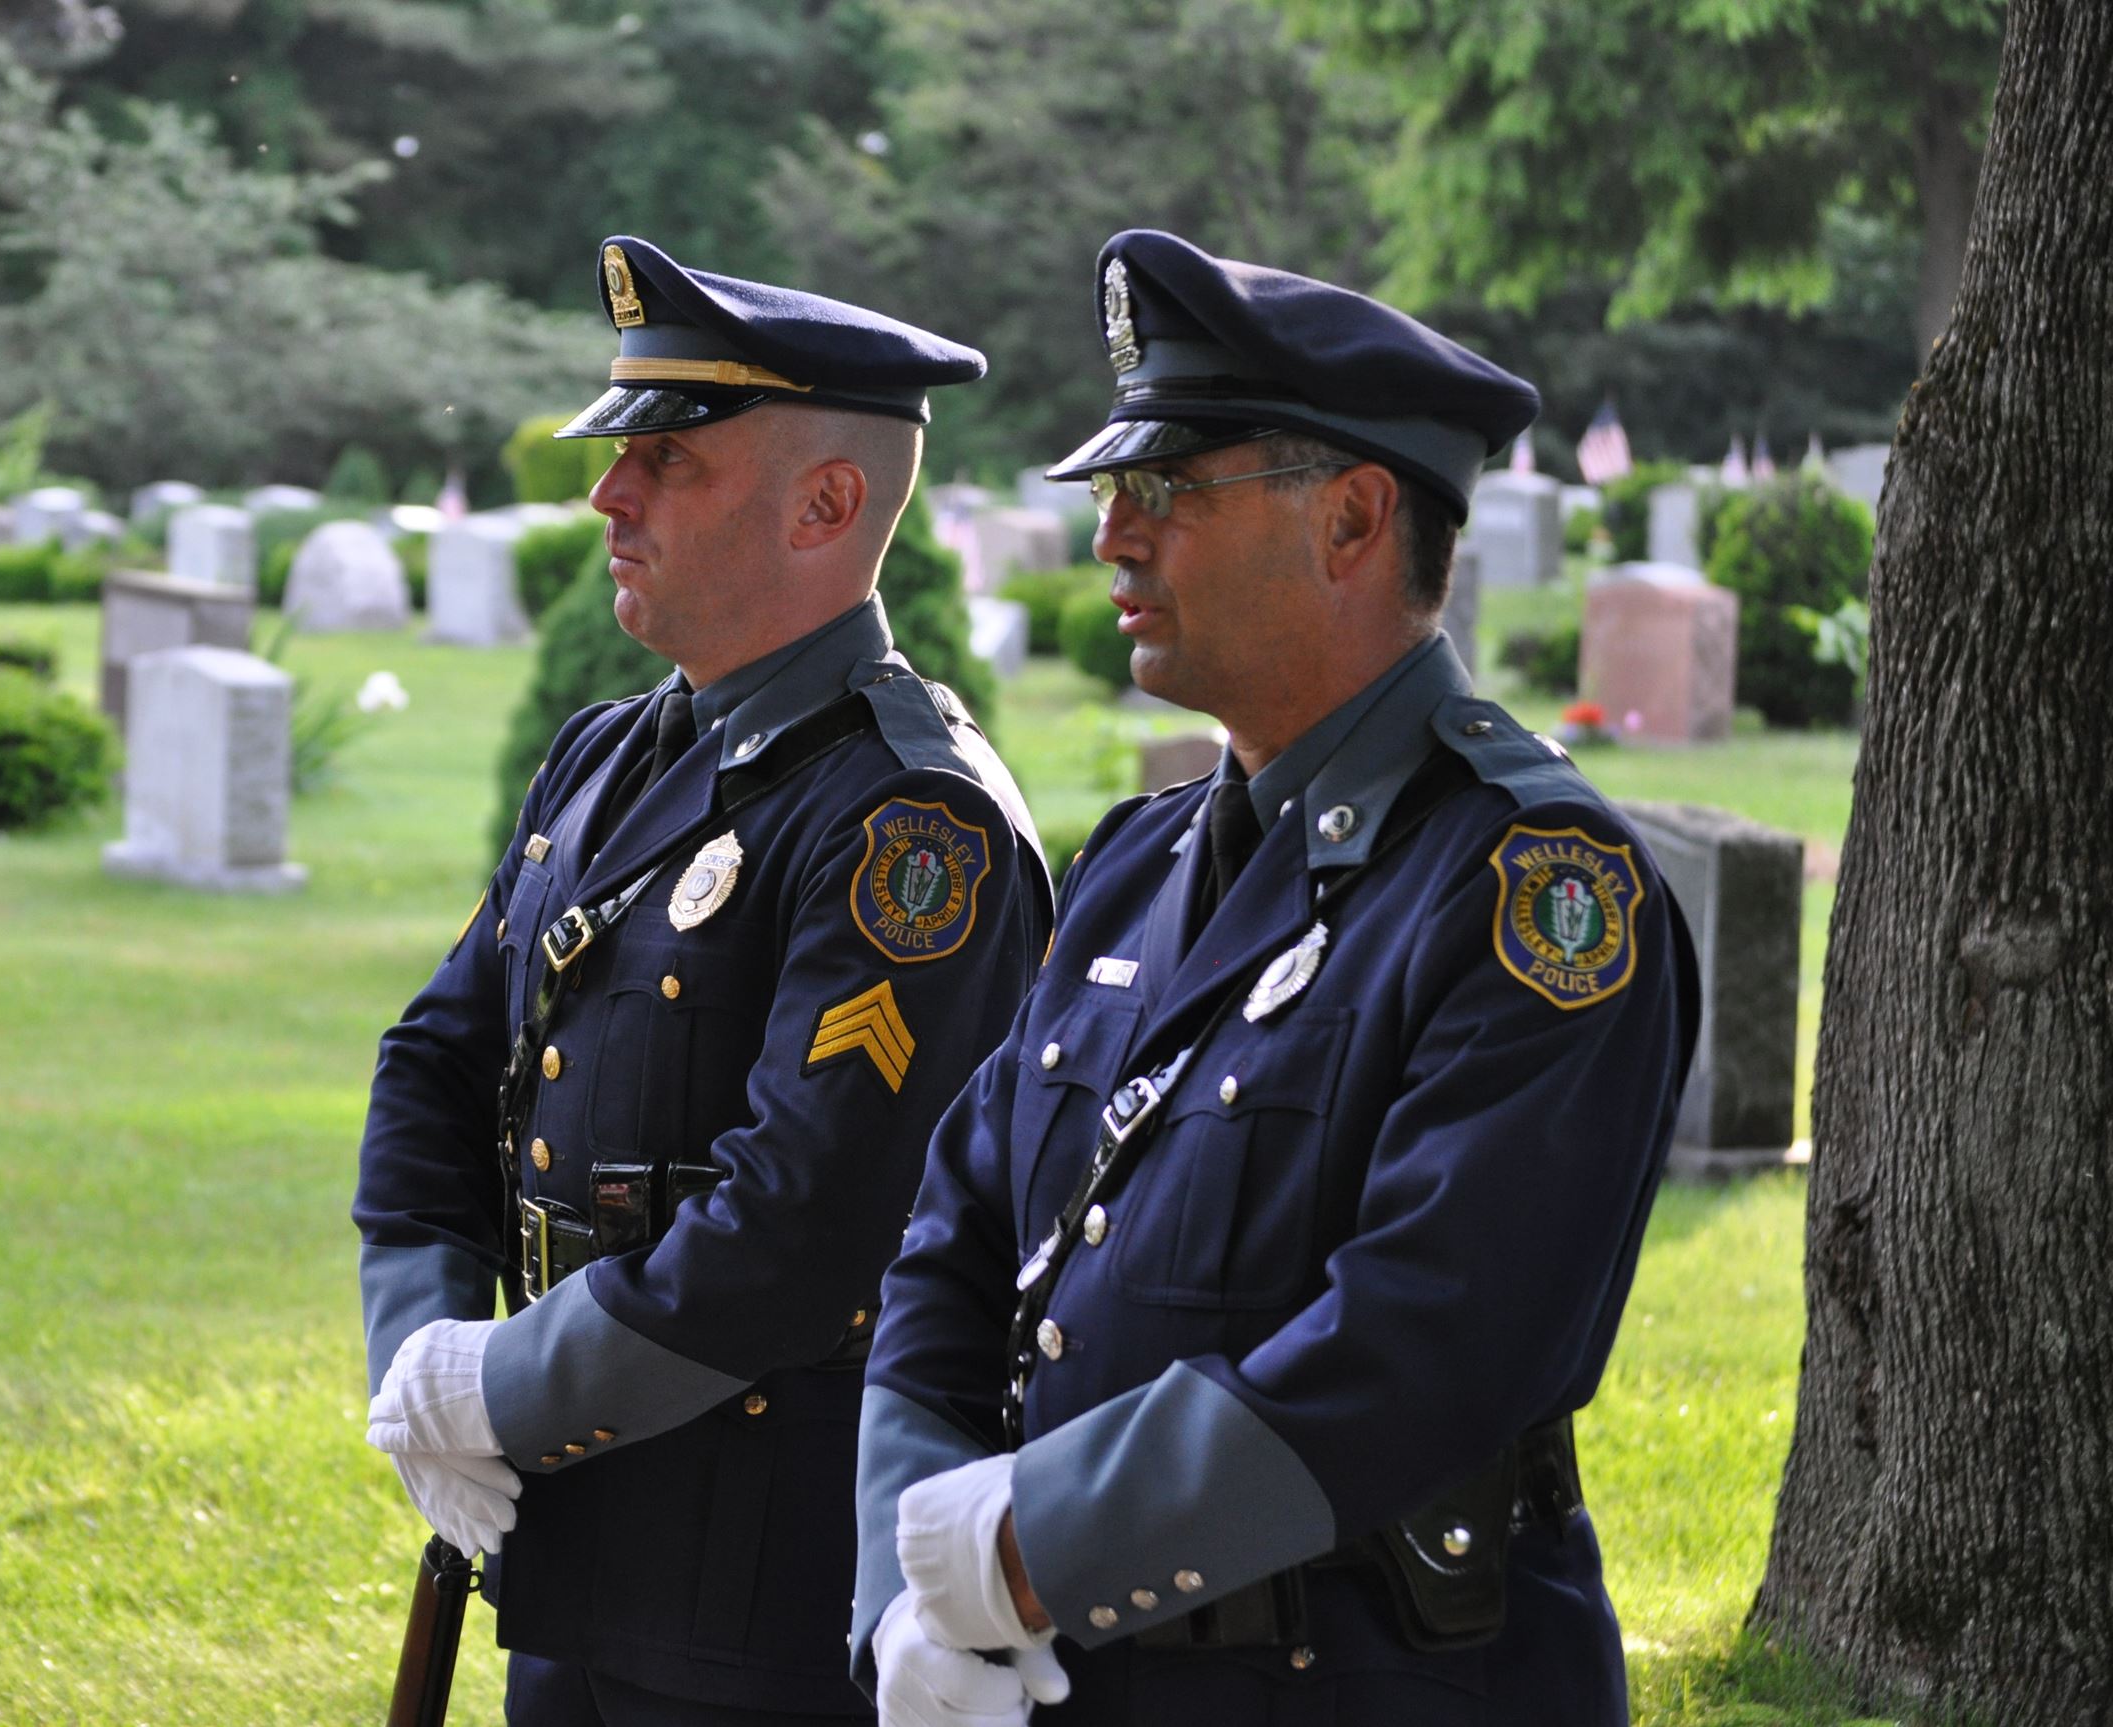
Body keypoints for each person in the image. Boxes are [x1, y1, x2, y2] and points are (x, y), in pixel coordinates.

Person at [851, 229, 1700, 1726]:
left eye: (1165, 490)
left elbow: (1429, 1339)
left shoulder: (1532, 893)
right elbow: (959, 1230)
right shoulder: (1137, 859)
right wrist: (909, 1589)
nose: (1113, 535)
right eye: (1116, 491)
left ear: (1357, 519)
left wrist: (1028, 1555)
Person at [355, 235, 1054, 1726]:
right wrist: (420, 1351)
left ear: (827, 503)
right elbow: (436, 1057)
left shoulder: (908, 825)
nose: (609, 494)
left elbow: (799, 1227)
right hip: (566, 1550)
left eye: (667, 461)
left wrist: (495, 1393)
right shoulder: (607, 757)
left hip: (760, 1606)